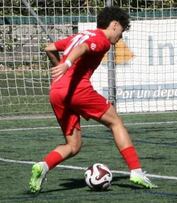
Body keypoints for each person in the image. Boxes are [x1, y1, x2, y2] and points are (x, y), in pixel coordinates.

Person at [29, 6, 157, 193]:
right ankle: (136, 171)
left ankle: (43, 165)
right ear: (114, 25)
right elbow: (82, 48)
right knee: (116, 122)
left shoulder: (79, 35)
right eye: (121, 31)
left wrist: (62, 69)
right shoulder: (101, 39)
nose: (120, 37)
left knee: (73, 145)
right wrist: (66, 64)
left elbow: (50, 48)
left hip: (56, 91)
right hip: (77, 90)